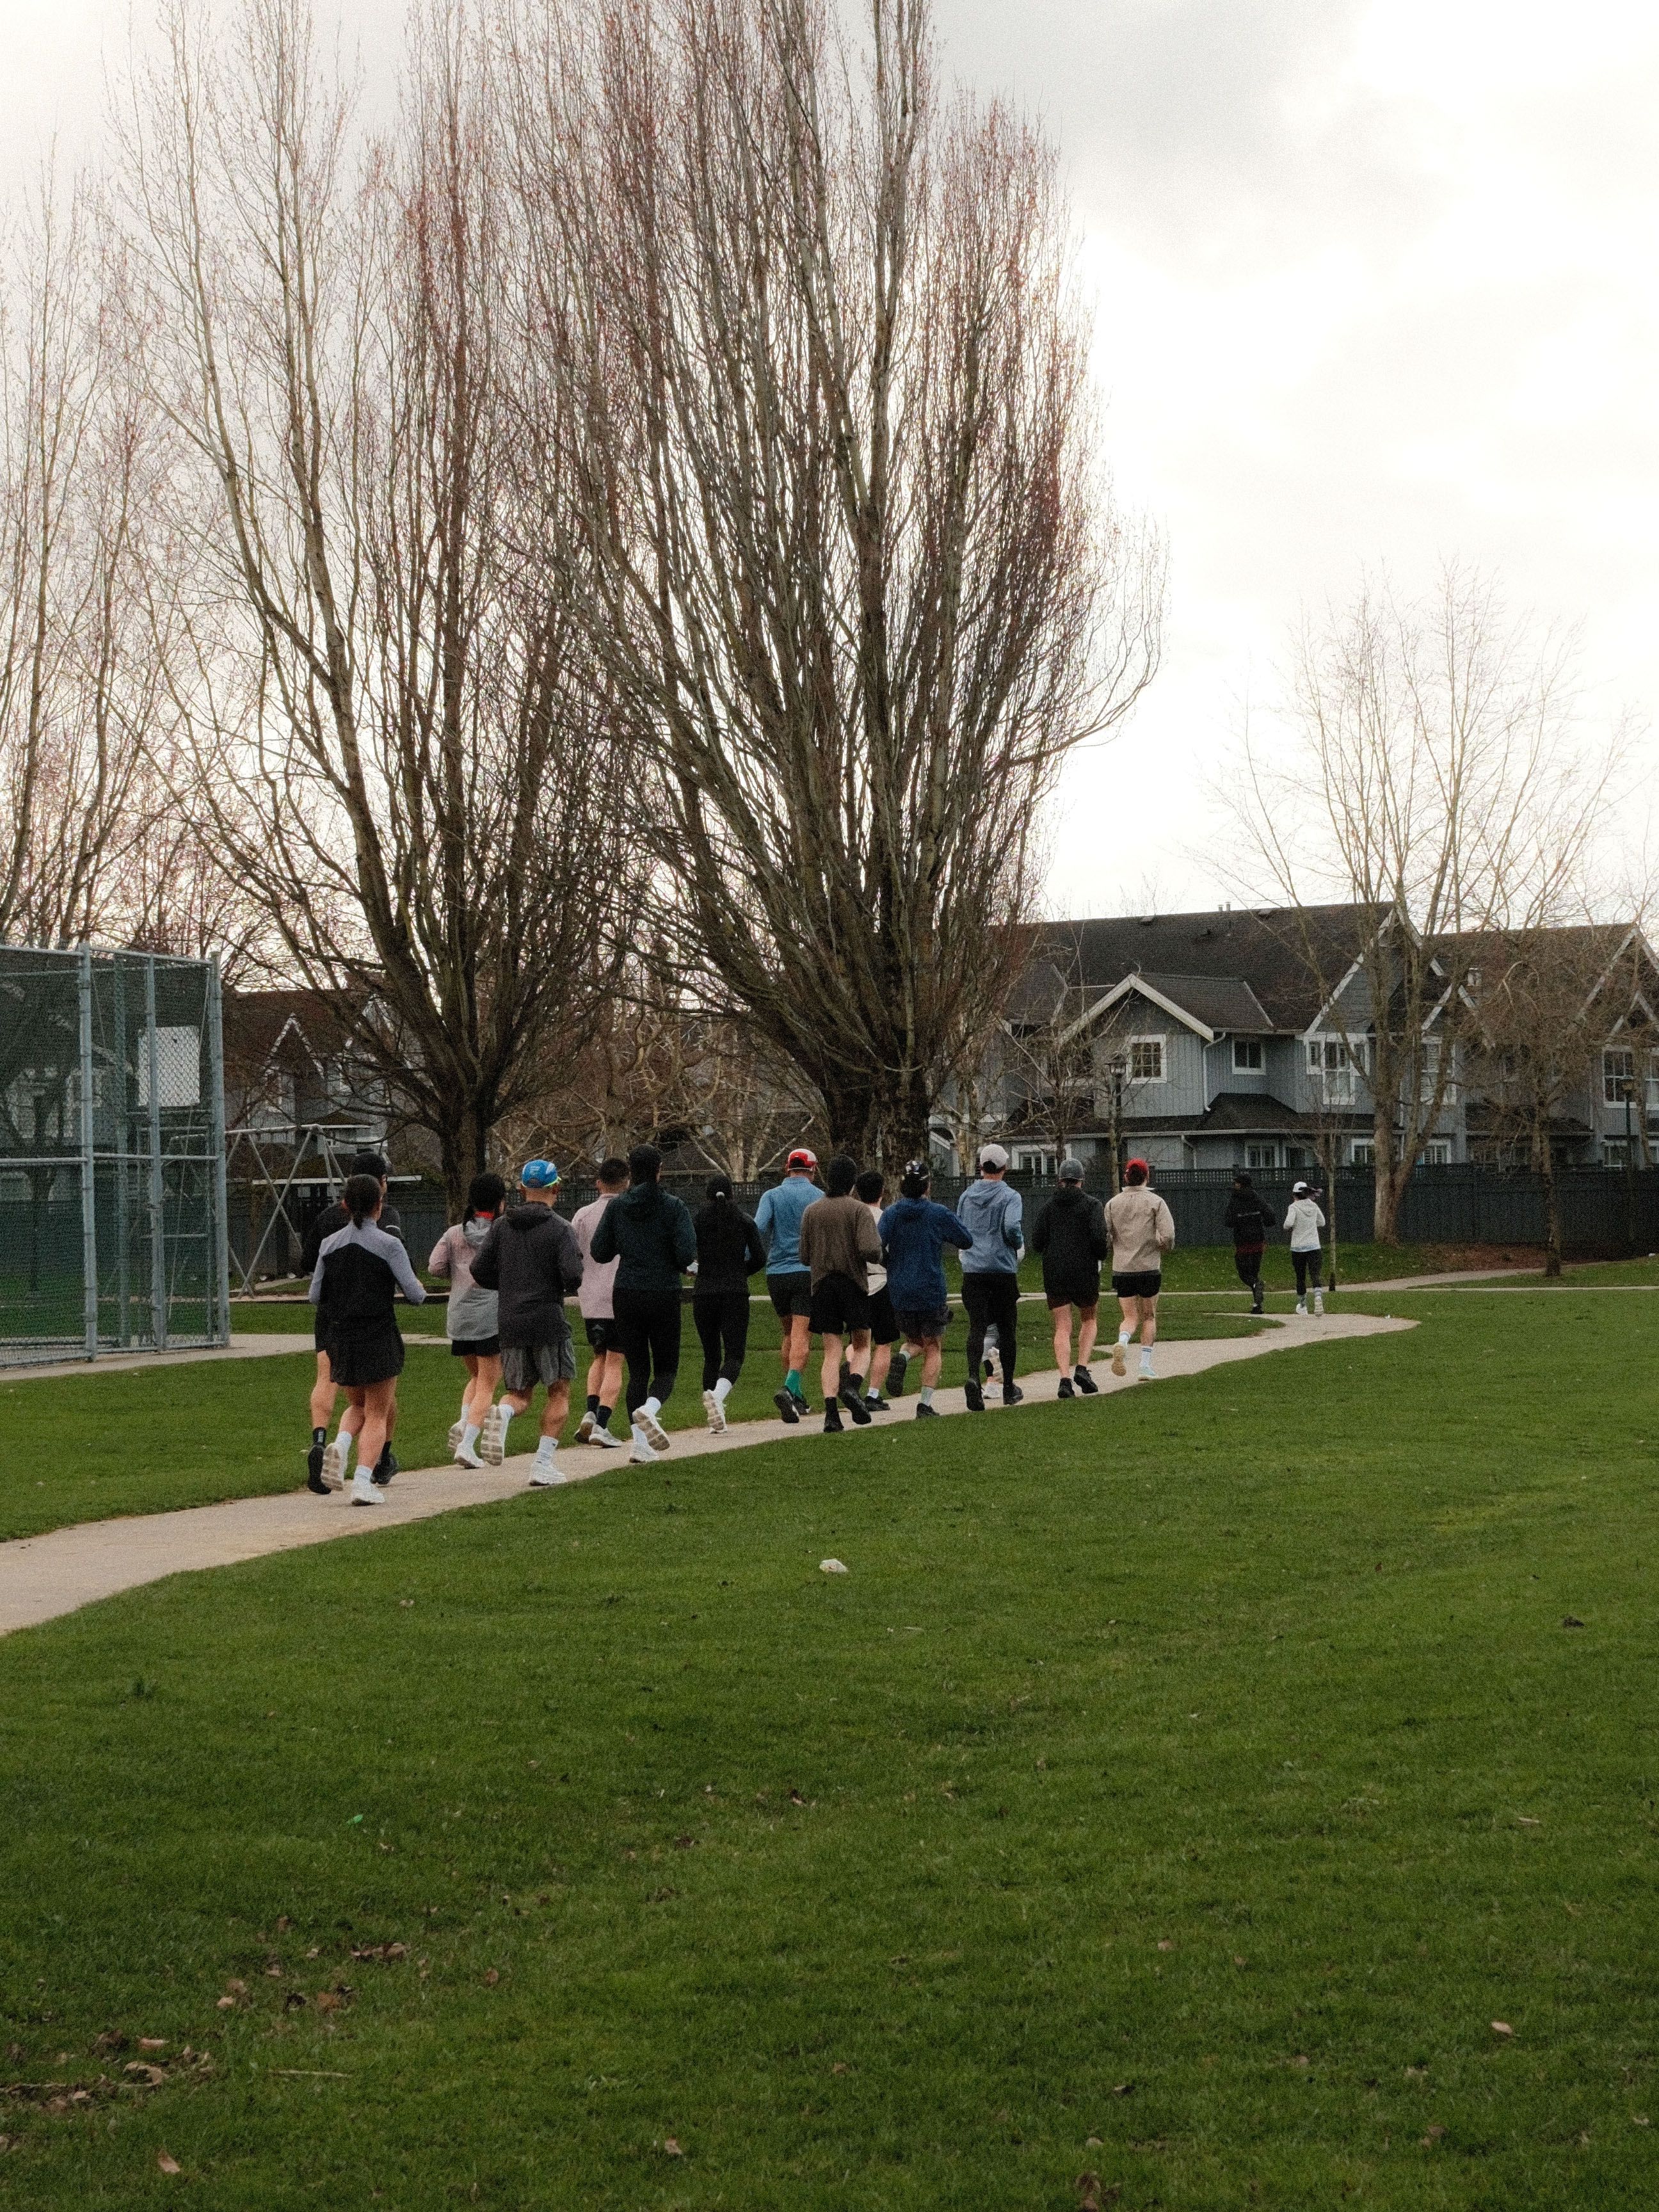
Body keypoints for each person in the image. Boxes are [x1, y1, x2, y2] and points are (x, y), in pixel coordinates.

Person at [307, 1172, 426, 1507]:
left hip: (341, 1336)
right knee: (377, 1411)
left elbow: (315, 1295)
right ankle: (362, 1481)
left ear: (345, 1205)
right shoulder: (389, 1244)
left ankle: (341, 1445)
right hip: (378, 1334)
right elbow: (415, 1295)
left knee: (356, 1405)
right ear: (379, 1205)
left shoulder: (329, 1244)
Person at [470, 1160, 584, 1487]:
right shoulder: (561, 1228)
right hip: (547, 1319)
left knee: (518, 1393)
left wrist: (507, 1285)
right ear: (556, 1188)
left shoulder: (501, 1227)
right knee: (559, 1392)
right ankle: (542, 1464)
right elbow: (573, 1276)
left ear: (521, 1189)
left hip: (510, 1320)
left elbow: (479, 1270)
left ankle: (503, 1413)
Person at [589, 1142, 696, 1464]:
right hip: (663, 1291)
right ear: (659, 1171)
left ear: (631, 1172)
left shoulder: (618, 1207)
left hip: (627, 1291)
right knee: (666, 1369)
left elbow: (600, 1251)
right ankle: (650, 1408)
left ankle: (640, 1445)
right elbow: (686, 1254)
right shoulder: (674, 1206)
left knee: (637, 1370)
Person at [878, 1160, 974, 1418]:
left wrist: (889, 1263)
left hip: (900, 1289)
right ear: (927, 1186)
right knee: (933, 1346)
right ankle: (925, 1404)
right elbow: (966, 1240)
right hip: (930, 1288)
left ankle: (904, 1357)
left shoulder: (891, 1214)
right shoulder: (938, 1213)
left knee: (914, 1341)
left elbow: (875, 1246)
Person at [797, 1155, 883, 1432]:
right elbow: (871, 1250)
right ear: (852, 1182)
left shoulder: (812, 1211)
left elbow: (804, 1256)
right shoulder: (858, 1210)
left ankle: (831, 1415)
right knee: (862, 1343)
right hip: (852, 1283)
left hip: (822, 1285)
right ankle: (853, 1387)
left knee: (831, 1351)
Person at [428, 1171, 506, 1468]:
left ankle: (463, 1422)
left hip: (460, 1315)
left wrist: (457, 1273)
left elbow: (435, 1267)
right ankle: (468, 1443)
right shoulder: (502, 1234)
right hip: (490, 1316)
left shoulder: (453, 1234)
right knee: (488, 1384)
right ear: (500, 1201)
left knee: (475, 1377)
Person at [692, 1174, 766, 1432]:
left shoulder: (697, 1221)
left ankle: (714, 1419)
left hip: (704, 1292)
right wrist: (739, 1272)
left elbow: (686, 1252)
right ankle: (719, 1396)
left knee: (711, 1355)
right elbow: (759, 1258)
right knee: (734, 1354)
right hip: (734, 1292)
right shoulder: (744, 1221)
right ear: (732, 1194)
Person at [754, 1148, 822, 1423]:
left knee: (788, 1334)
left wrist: (746, 1259)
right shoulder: (819, 1197)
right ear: (813, 1169)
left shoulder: (771, 1196)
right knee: (802, 1335)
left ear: (787, 1168)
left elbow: (758, 1229)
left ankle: (798, 1395)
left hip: (777, 1274)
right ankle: (789, 1388)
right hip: (806, 1272)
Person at [956, 1142, 1025, 1411]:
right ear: (1004, 1167)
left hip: (973, 1270)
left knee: (977, 1327)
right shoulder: (1010, 1196)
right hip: (1001, 1269)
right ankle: (1008, 1388)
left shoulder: (966, 1196)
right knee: (1007, 1330)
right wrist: (1016, 1243)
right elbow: (1011, 1226)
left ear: (981, 1167)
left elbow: (960, 1229)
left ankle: (974, 1376)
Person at [1032, 1158, 1109, 1399]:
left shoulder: (1048, 1207)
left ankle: (1064, 1379)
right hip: (1084, 1270)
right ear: (1081, 1181)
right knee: (1089, 1318)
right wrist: (1100, 1255)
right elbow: (1099, 1239)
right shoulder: (1092, 1205)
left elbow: (1037, 1242)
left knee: (1062, 1326)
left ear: (1060, 1180)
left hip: (1055, 1271)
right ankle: (1082, 1368)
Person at [570, 1158, 629, 1450]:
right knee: (616, 1360)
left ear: (598, 1183)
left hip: (590, 1297)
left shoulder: (582, 1215)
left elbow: (573, 1253)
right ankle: (602, 1425)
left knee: (599, 1356)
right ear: (627, 1182)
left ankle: (590, 1411)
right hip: (620, 1294)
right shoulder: (629, 1212)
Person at [1103, 1158, 1175, 1380]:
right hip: (1148, 1268)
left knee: (1129, 1317)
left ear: (1126, 1177)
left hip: (1122, 1269)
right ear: (1147, 1177)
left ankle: (1123, 1341)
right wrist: (1163, 1246)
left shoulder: (1113, 1204)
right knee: (1149, 1317)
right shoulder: (1156, 1202)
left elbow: (1106, 1236)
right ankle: (1144, 1365)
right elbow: (1168, 1235)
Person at [854, 1167, 899, 1412]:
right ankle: (873, 1393)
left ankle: (852, 1377)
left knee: (858, 1341)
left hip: (857, 1283)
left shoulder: (853, 1217)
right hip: (881, 1281)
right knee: (884, 1342)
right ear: (882, 1191)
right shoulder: (885, 1218)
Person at [1224, 1171, 1274, 1315]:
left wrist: (1238, 1220)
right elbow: (1269, 1215)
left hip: (1242, 1241)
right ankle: (1258, 1305)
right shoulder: (1256, 1197)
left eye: (1236, 1183)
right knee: (1254, 1272)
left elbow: (1229, 1221)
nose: (1234, 1185)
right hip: (1258, 1240)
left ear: (1241, 1184)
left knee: (1244, 1273)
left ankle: (1256, 1287)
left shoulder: (1235, 1199)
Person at [1285, 1180, 1327, 1315]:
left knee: (1300, 1276)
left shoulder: (1293, 1207)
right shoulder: (1314, 1206)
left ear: (1295, 1195)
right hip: (1314, 1246)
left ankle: (1303, 1305)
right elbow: (1322, 1222)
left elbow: (1288, 1224)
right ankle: (1318, 1297)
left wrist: (1292, 1227)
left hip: (1298, 1247)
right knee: (1315, 1274)